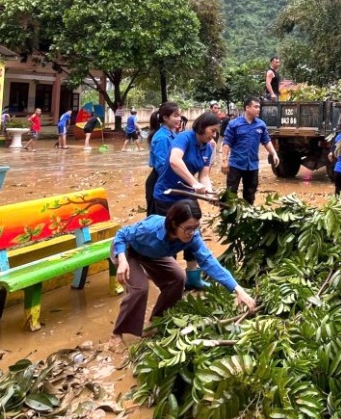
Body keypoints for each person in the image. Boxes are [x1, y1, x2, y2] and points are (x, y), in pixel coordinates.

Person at [108, 200, 256, 347]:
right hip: (126, 252)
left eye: (195, 227)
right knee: (140, 288)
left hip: (153, 254)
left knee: (178, 278)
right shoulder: (151, 229)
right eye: (188, 228)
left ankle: (155, 322)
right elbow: (121, 234)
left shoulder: (192, 236)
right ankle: (116, 334)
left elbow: (208, 261)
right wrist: (122, 260)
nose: (192, 233)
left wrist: (238, 289)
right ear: (174, 224)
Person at [153, 111, 221, 289]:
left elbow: (205, 176)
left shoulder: (208, 147)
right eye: (212, 130)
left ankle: (192, 277)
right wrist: (193, 182)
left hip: (187, 197)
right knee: (170, 236)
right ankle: (170, 280)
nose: (214, 135)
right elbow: (174, 160)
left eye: (216, 132)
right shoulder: (184, 138)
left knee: (192, 232)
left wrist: (210, 193)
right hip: (167, 196)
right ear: (202, 126)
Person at [220, 98, 279, 204]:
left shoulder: (261, 124)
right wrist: (224, 160)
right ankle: (229, 218)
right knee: (230, 194)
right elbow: (227, 142)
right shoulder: (234, 124)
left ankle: (247, 216)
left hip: (252, 165)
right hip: (235, 164)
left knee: (250, 195)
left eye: (259, 107)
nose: (258, 109)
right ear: (247, 108)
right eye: (256, 107)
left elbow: (266, 141)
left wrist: (274, 153)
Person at [146, 102, 181, 217]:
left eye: (179, 115)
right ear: (165, 118)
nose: (179, 119)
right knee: (158, 221)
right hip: (159, 181)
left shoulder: (173, 134)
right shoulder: (161, 138)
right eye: (176, 116)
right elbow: (162, 166)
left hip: (167, 180)